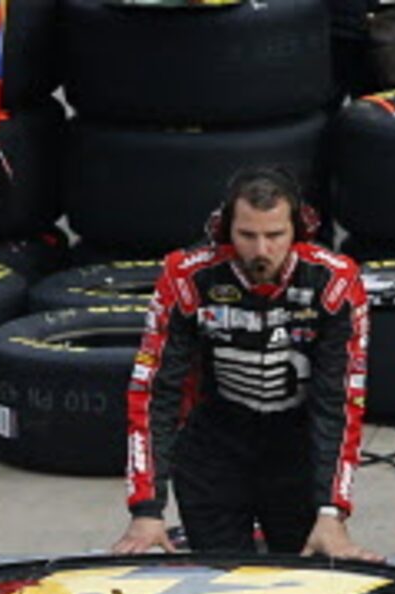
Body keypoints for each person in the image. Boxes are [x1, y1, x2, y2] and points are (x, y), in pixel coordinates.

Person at [115, 167, 370, 558]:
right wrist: (146, 509)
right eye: (247, 236)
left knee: (303, 592)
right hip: (214, 451)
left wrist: (332, 510)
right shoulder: (186, 276)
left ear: (297, 232)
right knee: (218, 587)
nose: (261, 250)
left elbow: (340, 401)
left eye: (275, 235)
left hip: (297, 455)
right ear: (226, 231)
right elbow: (153, 390)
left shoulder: (335, 283)